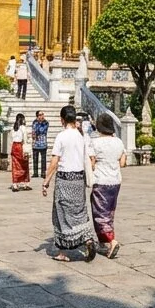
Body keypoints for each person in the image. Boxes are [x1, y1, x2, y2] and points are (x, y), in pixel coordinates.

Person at [42, 104, 96, 262]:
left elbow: (54, 161)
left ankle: (63, 253)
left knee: (61, 215)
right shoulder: (80, 136)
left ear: (62, 120)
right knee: (79, 212)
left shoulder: (62, 136)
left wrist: (46, 181)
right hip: (79, 179)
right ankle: (87, 239)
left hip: (65, 179)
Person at [88, 112, 126, 258]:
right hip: (115, 180)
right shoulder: (119, 142)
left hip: (101, 180)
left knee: (100, 214)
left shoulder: (95, 143)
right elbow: (122, 163)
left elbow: (92, 163)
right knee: (110, 212)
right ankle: (104, 242)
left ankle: (111, 241)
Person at [9, 113, 31, 192]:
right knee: (24, 165)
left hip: (14, 146)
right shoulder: (23, 128)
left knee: (15, 165)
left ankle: (15, 184)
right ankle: (26, 183)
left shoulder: (14, 128)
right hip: (21, 146)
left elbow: (11, 138)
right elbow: (25, 139)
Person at [30, 111, 50, 179]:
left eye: (42, 114)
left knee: (43, 160)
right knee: (35, 159)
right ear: (37, 116)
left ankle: (43, 173)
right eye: (40, 115)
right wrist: (34, 133)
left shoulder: (46, 122)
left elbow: (42, 130)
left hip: (43, 143)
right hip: (35, 143)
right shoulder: (34, 122)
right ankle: (35, 173)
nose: (42, 116)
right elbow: (33, 131)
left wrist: (36, 131)